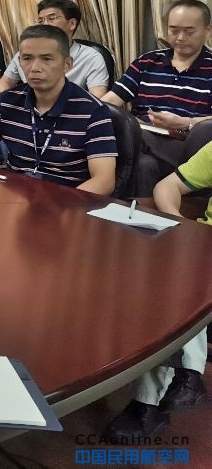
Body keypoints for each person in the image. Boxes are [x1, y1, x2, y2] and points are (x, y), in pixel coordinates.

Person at [106, 150, 212, 437]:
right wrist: (182, 223)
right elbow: (168, 186)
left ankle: (148, 404)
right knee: (157, 282)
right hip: (203, 247)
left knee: (184, 287)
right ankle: (186, 376)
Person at [0, 25, 116, 193]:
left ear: (67, 64)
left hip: (66, 202)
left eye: (47, 59)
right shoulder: (6, 102)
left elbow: (104, 181)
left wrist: (62, 210)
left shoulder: (93, 111)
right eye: (27, 58)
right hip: (13, 197)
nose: (35, 67)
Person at [102, 0, 212, 191]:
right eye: (174, 29)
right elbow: (111, 101)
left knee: (131, 135)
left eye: (189, 31)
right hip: (143, 138)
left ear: (207, 31)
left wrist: (185, 122)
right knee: (144, 165)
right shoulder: (148, 62)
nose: (179, 37)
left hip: (187, 145)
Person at [0, 0, 110, 97]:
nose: (45, 25)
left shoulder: (91, 57)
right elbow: (3, 84)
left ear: (72, 24)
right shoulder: (26, 52)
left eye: (52, 19)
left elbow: (98, 97)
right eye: (41, 21)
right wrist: (12, 104)